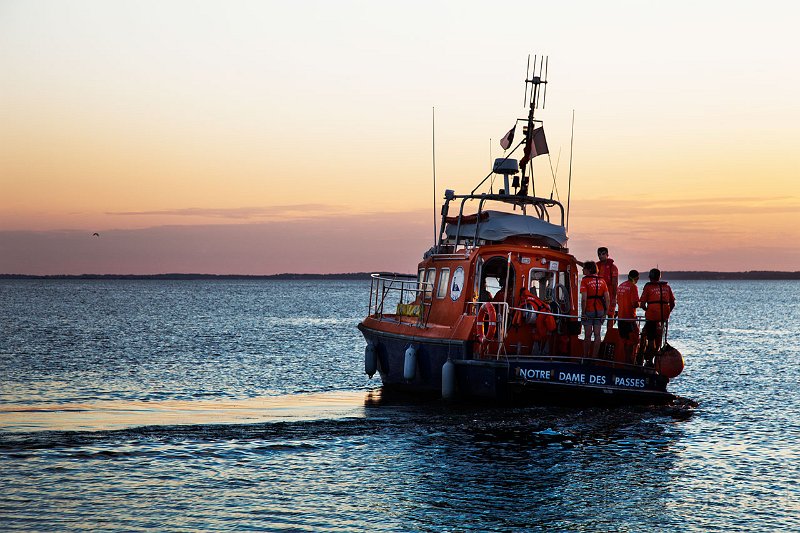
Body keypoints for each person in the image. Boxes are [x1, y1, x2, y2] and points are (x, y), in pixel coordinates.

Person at [639, 268, 676, 364]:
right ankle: (657, 360)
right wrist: (667, 313)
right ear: (659, 277)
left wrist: (647, 310)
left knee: (649, 338)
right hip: (663, 318)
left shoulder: (648, 287)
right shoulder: (667, 287)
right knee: (659, 338)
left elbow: (642, 304)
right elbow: (672, 303)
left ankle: (648, 359)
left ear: (650, 277)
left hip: (652, 317)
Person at [580, 261, 610, 358]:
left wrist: (583, 313)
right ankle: (594, 358)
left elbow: (584, 299)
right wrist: (605, 313)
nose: (582, 270)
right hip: (600, 310)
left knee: (587, 335)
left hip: (589, 310)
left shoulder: (585, 281)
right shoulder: (602, 281)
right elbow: (607, 298)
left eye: (584, 268)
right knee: (597, 334)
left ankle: (585, 357)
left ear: (588, 270)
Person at [616, 269, 640, 364]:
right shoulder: (633, 287)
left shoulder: (620, 286)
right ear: (636, 278)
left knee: (624, 341)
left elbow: (618, 301)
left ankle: (625, 362)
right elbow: (634, 304)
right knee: (632, 342)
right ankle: (630, 363)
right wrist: (640, 303)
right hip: (629, 318)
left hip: (621, 318)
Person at [596, 247, 619, 326]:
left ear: (607, 255)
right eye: (599, 254)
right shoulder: (596, 266)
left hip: (610, 294)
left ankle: (610, 332)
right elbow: (586, 267)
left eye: (603, 254)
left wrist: (614, 298)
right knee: (598, 314)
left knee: (610, 315)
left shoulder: (613, 267)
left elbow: (615, 284)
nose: (601, 256)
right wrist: (576, 261)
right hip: (599, 295)